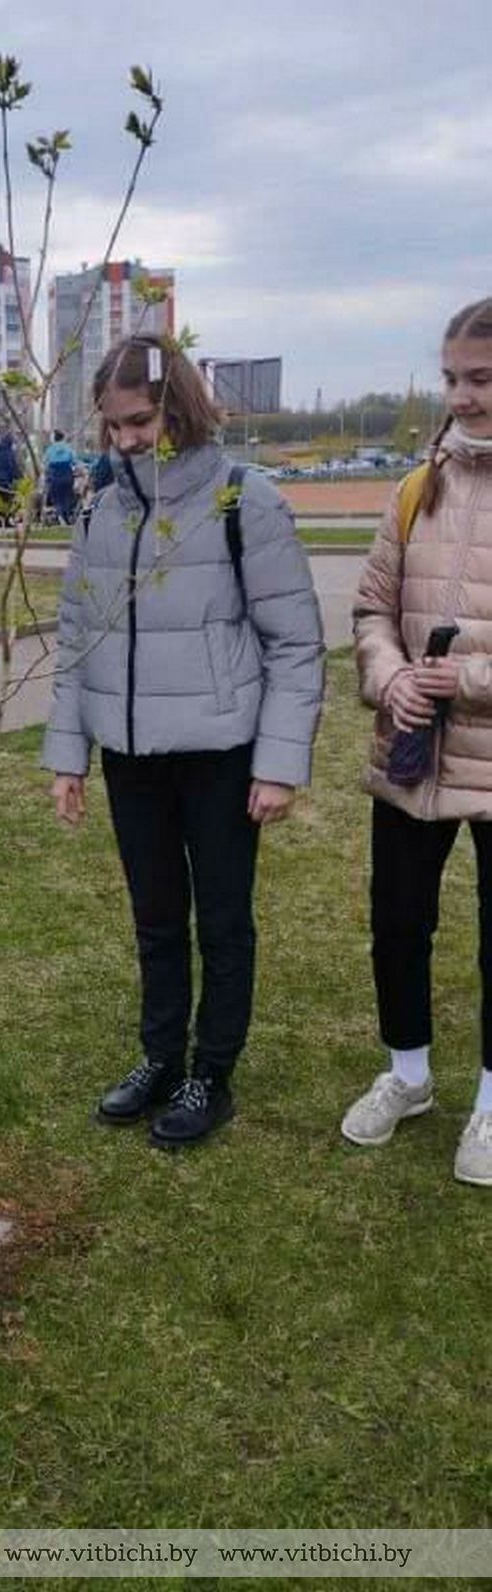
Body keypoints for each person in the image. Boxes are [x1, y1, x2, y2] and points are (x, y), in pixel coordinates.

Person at [42, 334, 324, 1147]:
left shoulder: (245, 500)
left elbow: (295, 645)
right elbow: (77, 636)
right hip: (133, 756)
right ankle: (161, 1056)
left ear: (180, 408)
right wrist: (70, 755)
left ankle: (213, 1072)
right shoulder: (101, 505)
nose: (126, 439)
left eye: (139, 421)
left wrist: (278, 766)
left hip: (221, 755)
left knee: (223, 921)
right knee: (156, 918)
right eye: (113, 425)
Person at [343, 298, 492, 1184]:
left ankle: (490, 1105)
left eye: (480, 379)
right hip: (411, 757)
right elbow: (371, 606)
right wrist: (390, 674)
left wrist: (468, 680)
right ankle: (408, 1076)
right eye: (452, 379)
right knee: (398, 922)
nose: (463, 397)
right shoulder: (417, 485)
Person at [43, 430, 78, 524]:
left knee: (57, 498)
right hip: (67, 475)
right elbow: (75, 462)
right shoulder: (68, 448)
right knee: (67, 497)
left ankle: (60, 515)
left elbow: (45, 465)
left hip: (55, 476)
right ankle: (66, 516)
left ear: (54, 438)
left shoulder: (49, 450)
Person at [0, 430, 21, 528]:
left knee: (3, 500)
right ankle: (5, 521)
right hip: (4, 480)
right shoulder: (8, 453)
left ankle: (0, 521)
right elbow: (12, 467)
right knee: (9, 500)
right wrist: (19, 476)